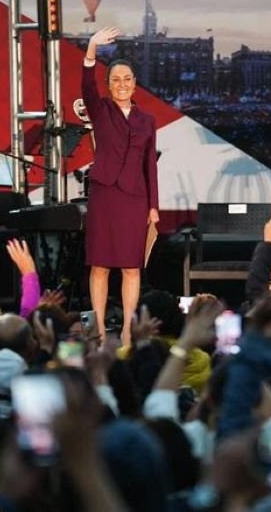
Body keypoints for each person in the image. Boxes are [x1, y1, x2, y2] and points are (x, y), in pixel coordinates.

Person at [82, 27, 159, 347]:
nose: (122, 84)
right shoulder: (100, 110)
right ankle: (99, 330)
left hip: (134, 198)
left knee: (131, 267)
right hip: (104, 196)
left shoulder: (147, 120)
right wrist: (92, 48)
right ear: (109, 84)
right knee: (100, 266)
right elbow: (86, 86)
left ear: (135, 83)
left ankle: (128, 329)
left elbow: (150, 165)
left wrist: (153, 206)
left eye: (127, 79)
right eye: (115, 80)